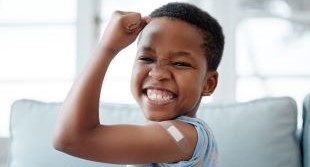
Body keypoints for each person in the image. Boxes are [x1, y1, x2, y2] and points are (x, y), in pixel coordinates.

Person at [53, 2, 224, 167]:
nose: (157, 73)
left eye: (180, 63)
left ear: (208, 84)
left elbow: (71, 139)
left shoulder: (182, 137)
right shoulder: (168, 136)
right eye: (146, 59)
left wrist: (107, 48)